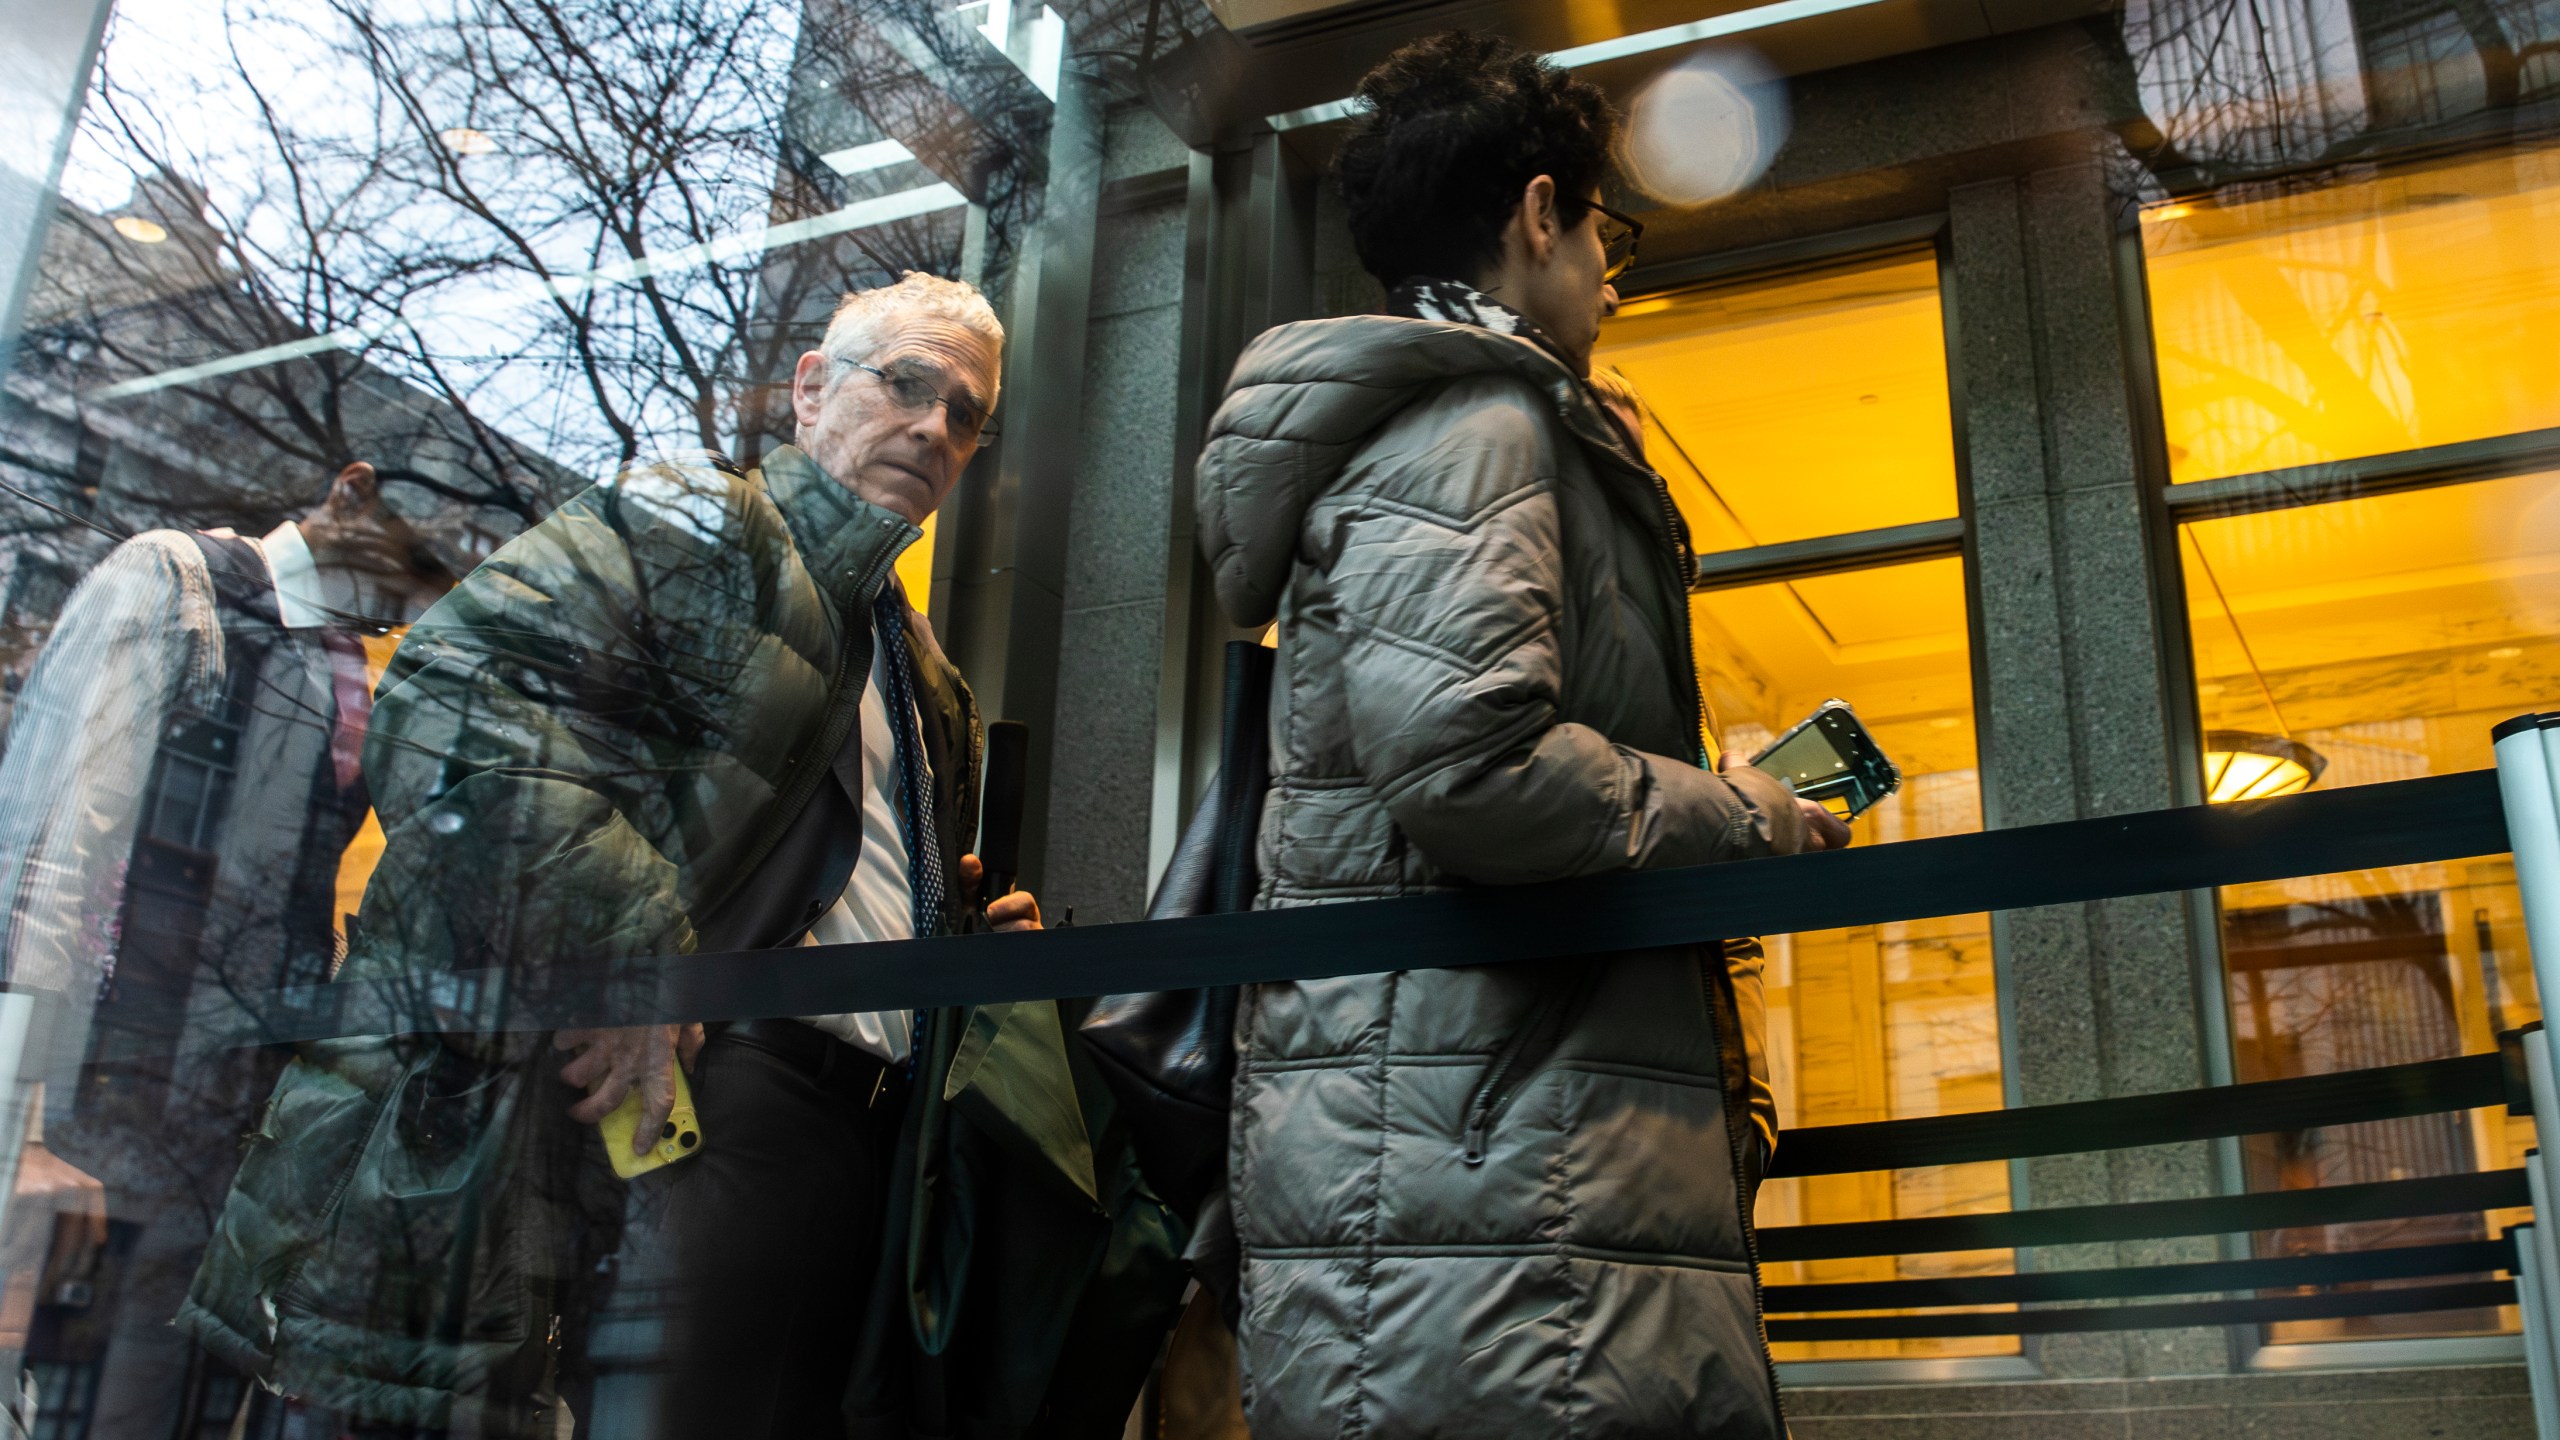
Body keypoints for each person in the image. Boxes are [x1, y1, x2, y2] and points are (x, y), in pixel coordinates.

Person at [179, 273, 1182, 1439]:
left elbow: (813, 861)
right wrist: (628, 940)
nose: (934, 428)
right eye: (907, 385)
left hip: (872, 1145)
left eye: (966, 415)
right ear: (810, 391)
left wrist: (950, 940)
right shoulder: (696, 523)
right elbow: (458, 702)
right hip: (705, 1105)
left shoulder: (922, 671)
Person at [1193, 32, 1848, 1440]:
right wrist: (1748, 813)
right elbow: (1472, 766)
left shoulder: (1480, 422)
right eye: (1606, 225)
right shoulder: (1473, 425)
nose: (1617, 268)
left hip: (1492, 1170)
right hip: (1496, 1187)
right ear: (1537, 214)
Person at [0, 459, 457, 1437]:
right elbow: (65, 834)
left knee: (154, 1387)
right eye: (408, 559)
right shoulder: (179, 582)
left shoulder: (349, 667)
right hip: (108, 1077)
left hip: (229, 1105)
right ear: (349, 491)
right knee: (58, 1374)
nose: (407, 589)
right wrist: (25, 1109)